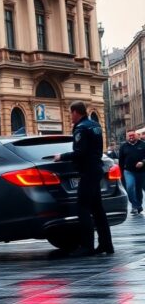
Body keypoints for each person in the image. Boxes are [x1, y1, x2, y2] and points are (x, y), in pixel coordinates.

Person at [54, 101, 114, 256]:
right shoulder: (95, 125)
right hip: (96, 168)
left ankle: (87, 246)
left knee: (83, 208)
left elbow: (80, 152)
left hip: (87, 171)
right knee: (98, 209)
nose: (70, 116)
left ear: (75, 112)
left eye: (70, 113)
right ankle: (106, 244)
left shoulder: (81, 128)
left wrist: (62, 156)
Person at [118, 131, 145, 214]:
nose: (131, 137)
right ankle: (134, 205)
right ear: (126, 137)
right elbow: (121, 160)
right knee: (129, 187)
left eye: (133, 135)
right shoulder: (123, 146)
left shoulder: (143, 144)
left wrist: (143, 162)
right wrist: (120, 173)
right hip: (128, 171)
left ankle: (138, 205)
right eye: (129, 136)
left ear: (136, 135)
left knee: (138, 189)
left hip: (141, 171)